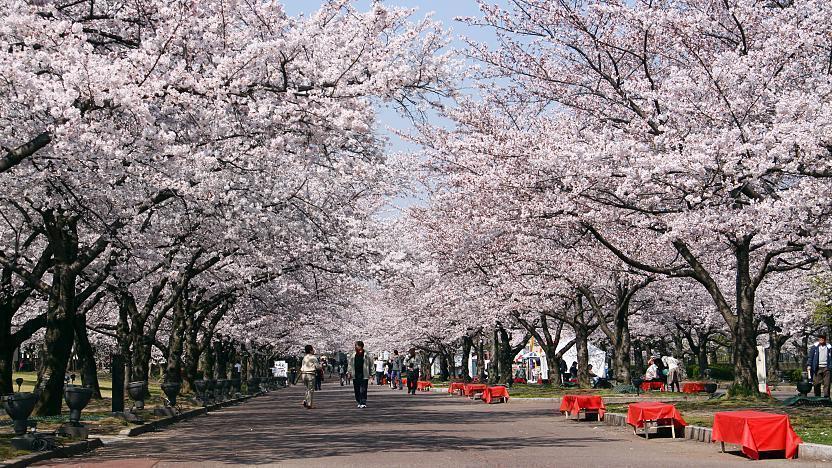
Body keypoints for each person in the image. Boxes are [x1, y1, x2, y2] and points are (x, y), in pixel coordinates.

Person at [348, 341, 373, 408]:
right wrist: (349, 372)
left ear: (361, 346)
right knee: (356, 389)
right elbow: (350, 364)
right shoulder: (353, 354)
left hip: (364, 374)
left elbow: (371, 364)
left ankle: (363, 402)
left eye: (357, 346)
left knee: (363, 389)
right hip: (355, 374)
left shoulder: (366, 354)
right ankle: (359, 401)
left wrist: (372, 373)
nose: (356, 347)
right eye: (355, 346)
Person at [807, 333, 832, 398]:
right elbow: (810, 357)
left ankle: (826, 398)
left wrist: (830, 366)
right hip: (817, 368)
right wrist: (809, 365)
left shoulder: (829, 348)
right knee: (816, 383)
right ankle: (817, 397)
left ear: (825, 339)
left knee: (827, 384)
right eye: (820, 338)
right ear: (818, 339)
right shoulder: (814, 347)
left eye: (823, 338)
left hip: (826, 368)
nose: (821, 339)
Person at [300, 345, 321, 409]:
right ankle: (309, 404)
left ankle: (305, 400)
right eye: (312, 349)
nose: (313, 350)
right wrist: (321, 366)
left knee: (307, 388)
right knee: (311, 389)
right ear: (310, 350)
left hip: (303, 374)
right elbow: (317, 367)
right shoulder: (313, 357)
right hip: (310, 374)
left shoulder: (304, 357)